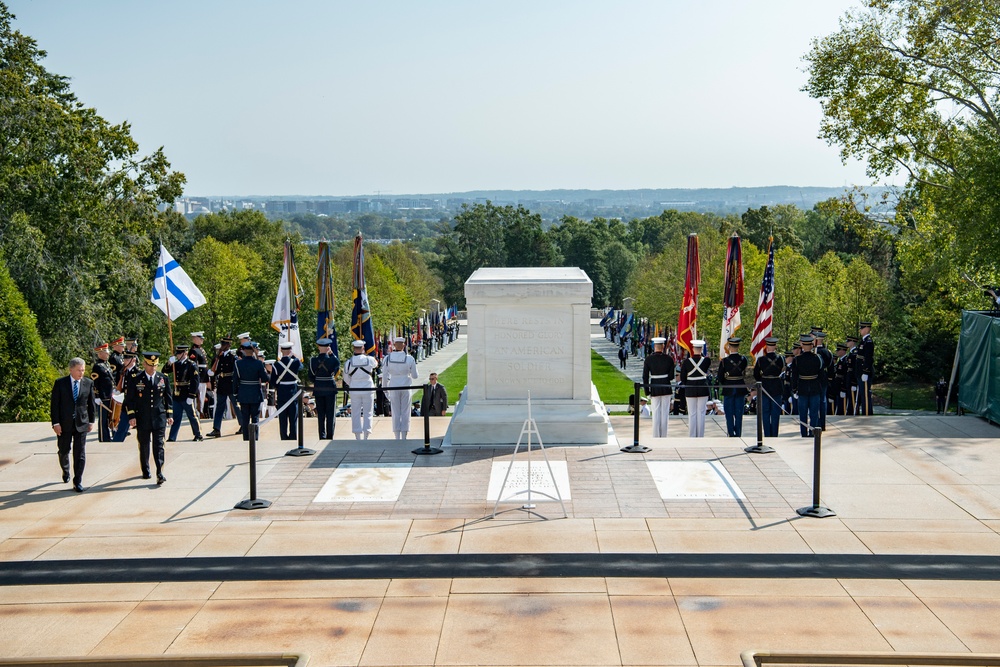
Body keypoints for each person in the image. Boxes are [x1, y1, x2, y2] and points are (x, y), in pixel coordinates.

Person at [125, 351, 172, 485]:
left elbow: (168, 398)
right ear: (144, 364)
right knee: (144, 445)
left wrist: (170, 414)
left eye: (155, 365)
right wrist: (132, 416)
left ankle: (160, 472)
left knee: (159, 445)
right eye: (150, 365)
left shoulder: (163, 378)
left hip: (159, 417)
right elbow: (130, 399)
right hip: (143, 417)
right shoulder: (135, 378)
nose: (153, 368)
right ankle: (145, 469)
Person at [50, 357, 95, 492]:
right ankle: (66, 470)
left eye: (83, 370)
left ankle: (78, 481)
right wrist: (56, 423)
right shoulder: (60, 383)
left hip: (82, 423)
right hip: (64, 423)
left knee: (80, 453)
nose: (81, 373)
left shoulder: (88, 383)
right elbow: (54, 405)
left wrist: (91, 421)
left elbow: (91, 404)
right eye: (78, 370)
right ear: (71, 370)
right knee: (64, 450)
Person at [164, 345, 204, 442]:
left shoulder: (191, 365)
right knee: (176, 417)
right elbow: (164, 371)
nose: (178, 355)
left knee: (192, 416)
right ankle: (172, 437)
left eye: (180, 353)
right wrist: (169, 363)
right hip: (177, 393)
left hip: (187, 394)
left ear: (185, 353)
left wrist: (191, 395)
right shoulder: (176, 364)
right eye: (177, 354)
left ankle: (198, 434)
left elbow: (195, 381)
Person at [382, 336, 419, 440]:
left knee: (395, 411)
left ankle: (397, 435)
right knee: (405, 411)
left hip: (393, 385)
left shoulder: (388, 358)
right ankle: (404, 435)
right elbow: (415, 376)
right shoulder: (409, 358)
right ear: (404, 345)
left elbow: (384, 376)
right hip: (405, 386)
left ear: (394, 345)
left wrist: (385, 389)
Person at [343, 339, 379, 440]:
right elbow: (376, 365)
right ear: (363, 348)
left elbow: (346, 378)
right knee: (368, 412)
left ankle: (357, 435)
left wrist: (353, 384)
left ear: (354, 348)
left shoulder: (349, 362)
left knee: (355, 412)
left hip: (355, 389)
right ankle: (366, 434)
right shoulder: (370, 359)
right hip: (368, 388)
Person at [234, 340, 269, 441]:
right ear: (253, 351)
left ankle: (246, 438)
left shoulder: (238, 363)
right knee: (255, 418)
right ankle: (255, 438)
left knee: (245, 418)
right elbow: (265, 379)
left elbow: (235, 380)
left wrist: (236, 393)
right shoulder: (258, 363)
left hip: (243, 393)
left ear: (243, 351)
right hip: (255, 393)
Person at [207, 335, 241, 438]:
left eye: (225, 344)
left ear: (229, 345)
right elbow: (212, 373)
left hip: (231, 384)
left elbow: (236, 372)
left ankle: (243, 425)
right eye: (222, 344)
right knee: (219, 407)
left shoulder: (233, 357)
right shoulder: (219, 357)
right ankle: (216, 429)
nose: (223, 346)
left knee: (236, 406)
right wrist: (217, 358)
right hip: (221, 384)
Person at [791, 335, 824, 437]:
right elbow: (821, 375)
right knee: (814, 413)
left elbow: (794, 376)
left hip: (802, 388)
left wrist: (794, 389)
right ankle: (813, 433)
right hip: (814, 388)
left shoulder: (797, 359)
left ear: (802, 346)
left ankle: (804, 433)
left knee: (803, 414)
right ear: (811, 345)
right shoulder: (817, 358)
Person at [642, 336, 675, 437]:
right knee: (665, 413)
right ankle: (664, 435)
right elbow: (671, 376)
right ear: (663, 346)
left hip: (654, 387)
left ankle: (656, 435)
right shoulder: (669, 359)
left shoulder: (648, 359)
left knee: (656, 412)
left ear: (654, 347)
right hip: (666, 386)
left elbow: (645, 377)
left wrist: (647, 391)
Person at [308, 337, 340, 439]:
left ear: (318, 347)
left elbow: (311, 376)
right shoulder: (332, 360)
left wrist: (318, 381)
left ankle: (322, 435)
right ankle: (330, 435)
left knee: (321, 414)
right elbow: (337, 363)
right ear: (328, 348)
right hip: (330, 388)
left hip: (318, 388)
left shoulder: (313, 360)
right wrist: (331, 354)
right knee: (330, 414)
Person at [753, 336, 784, 437]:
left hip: (764, 387)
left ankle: (767, 434)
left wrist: (761, 381)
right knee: (775, 413)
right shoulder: (780, 359)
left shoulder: (761, 360)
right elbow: (782, 372)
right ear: (775, 346)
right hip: (776, 387)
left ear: (766, 347)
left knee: (765, 412)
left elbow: (756, 374)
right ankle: (774, 434)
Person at [718, 336, 749, 437]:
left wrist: (726, 383)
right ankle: (738, 432)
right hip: (740, 387)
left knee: (729, 413)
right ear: (738, 347)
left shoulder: (724, 361)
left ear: (729, 347)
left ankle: (731, 432)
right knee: (739, 412)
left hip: (728, 388)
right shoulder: (743, 359)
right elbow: (745, 373)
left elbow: (720, 377)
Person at [271, 341, 302, 440]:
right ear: (290, 350)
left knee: (283, 418)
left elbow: (273, 381)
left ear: (281, 350)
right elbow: (301, 367)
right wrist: (294, 357)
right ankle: (293, 437)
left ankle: (284, 437)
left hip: (282, 392)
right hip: (293, 391)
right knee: (293, 418)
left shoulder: (276, 365)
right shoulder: (296, 362)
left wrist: (279, 386)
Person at [680, 339, 711, 437]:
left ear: (693, 349)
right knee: (701, 413)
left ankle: (692, 435)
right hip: (702, 388)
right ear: (702, 349)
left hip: (690, 388)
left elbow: (682, 377)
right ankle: (700, 435)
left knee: (692, 413)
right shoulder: (707, 361)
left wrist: (688, 383)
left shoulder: (686, 362)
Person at [91, 343, 115, 442]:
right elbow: (95, 383)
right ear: (100, 354)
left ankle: (108, 436)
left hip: (109, 395)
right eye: (106, 353)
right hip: (102, 396)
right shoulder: (97, 366)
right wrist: (96, 396)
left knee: (110, 417)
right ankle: (103, 437)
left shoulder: (106, 365)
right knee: (103, 419)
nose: (108, 354)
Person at [856, 321, 875, 415]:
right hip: (860, 372)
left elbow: (868, 358)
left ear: (867, 329)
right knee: (863, 395)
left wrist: (866, 372)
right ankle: (865, 412)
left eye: (862, 328)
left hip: (865, 372)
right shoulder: (863, 341)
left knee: (866, 395)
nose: (860, 330)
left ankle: (867, 413)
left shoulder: (868, 342)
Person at [189, 331, 209, 417]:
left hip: (203, 376)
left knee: (202, 394)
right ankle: (197, 412)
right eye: (200, 339)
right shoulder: (193, 351)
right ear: (195, 339)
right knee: (197, 395)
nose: (202, 340)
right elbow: (193, 365)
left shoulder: (201, 349)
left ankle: (200, 411)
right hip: (199, 376)